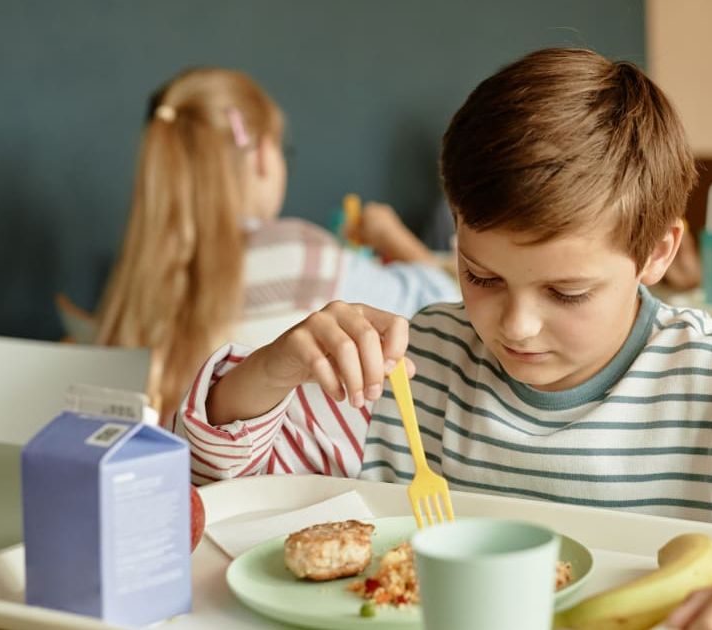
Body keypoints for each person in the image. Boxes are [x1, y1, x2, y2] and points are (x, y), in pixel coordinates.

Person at [176, 50, 712, 628]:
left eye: (567, 291)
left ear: (658, 254)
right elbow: (227, 495)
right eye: (481, 276)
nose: (515, 327)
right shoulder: (421, 363)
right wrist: (270, 372)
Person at [94, 68, 457, 419]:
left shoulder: (134, 280)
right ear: (264, 155)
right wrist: (398, 240)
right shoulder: (300, 253)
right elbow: (449, 307)